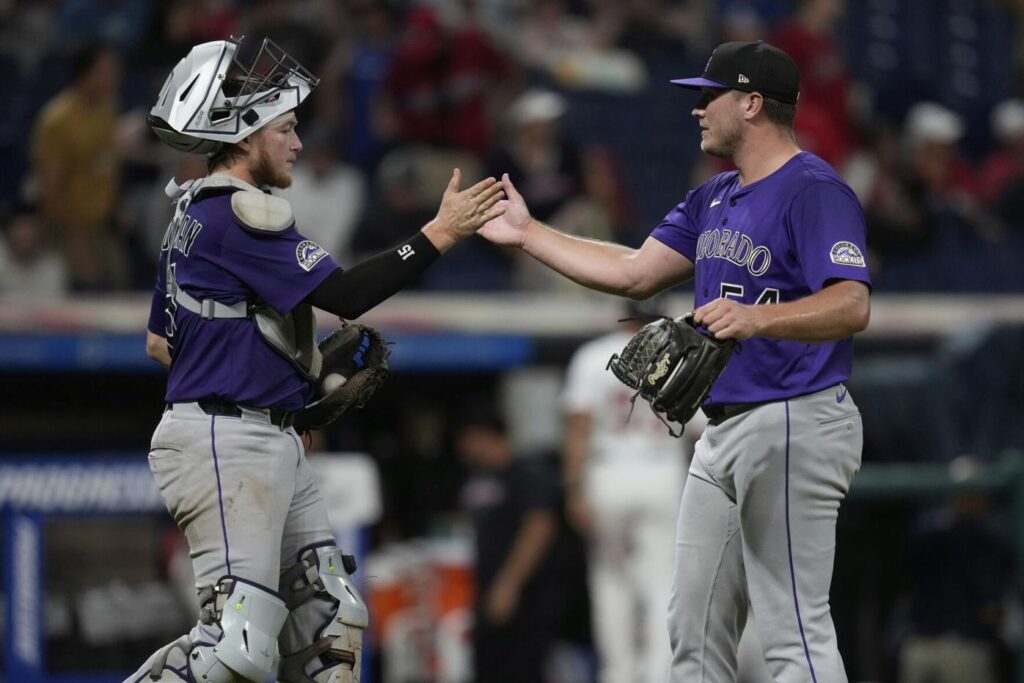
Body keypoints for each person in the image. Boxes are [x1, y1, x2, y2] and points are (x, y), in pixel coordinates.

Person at [480, 40, 872, 682]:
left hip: (795, 417)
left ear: (752, 104)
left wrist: (758, 318)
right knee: (691, 632)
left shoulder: (814, 189)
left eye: (710, 95)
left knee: (792, 630)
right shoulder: (713, 195)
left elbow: (852, 302)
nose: (697, 108)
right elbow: (635, 272)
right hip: (721, 430)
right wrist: (529, 234)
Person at [129, 36, 504, 683]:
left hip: (255, 431)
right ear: (244, 135)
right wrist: (440, 233)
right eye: (286, 129)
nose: (298, 143)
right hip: (228, 438)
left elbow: (160, 343)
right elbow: (347, 296)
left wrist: (272, 381)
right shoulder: (241, 212)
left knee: (328, 624)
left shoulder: (191, 212)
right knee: (235, 648)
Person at [562, 298, 705, 683]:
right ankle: (659, 674)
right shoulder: (682, 354)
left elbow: (579, 427)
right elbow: (700, 435)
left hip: (606, 474)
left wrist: (574, 488)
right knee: (661, 582)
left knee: (610, 581)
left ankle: (617, 674)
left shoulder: (592, 356)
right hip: (661, 472)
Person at [456, 410, 560, 683]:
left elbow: (539, 527)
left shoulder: (527, 474)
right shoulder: (478, 478)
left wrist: (509, 585)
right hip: (485, 594)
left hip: (524, 600)